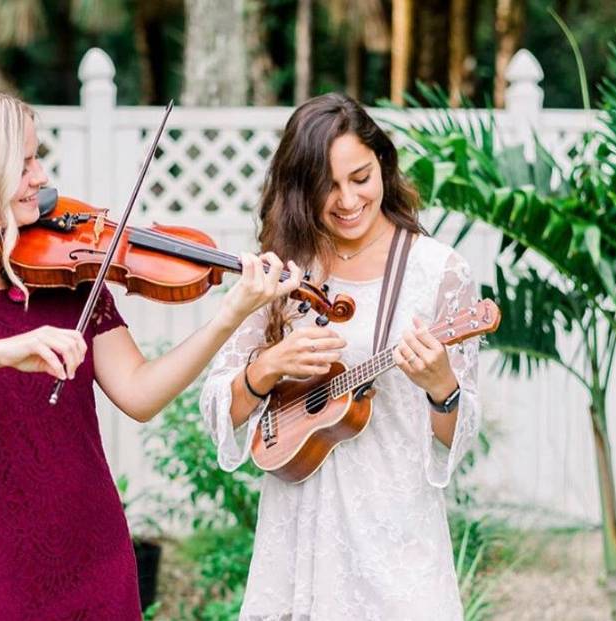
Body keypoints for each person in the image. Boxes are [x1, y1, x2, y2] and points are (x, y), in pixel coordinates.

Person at [0, 85, 304, 620]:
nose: (41, 177)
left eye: (36, 157)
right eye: (23, 164)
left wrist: (230, 315)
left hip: (95, 564)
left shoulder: (65, 276)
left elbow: (140, 393)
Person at [199, 92, 481, 620]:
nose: (348, 200)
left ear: (384, 167)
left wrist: (442, 386)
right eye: (327, 184)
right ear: (299, 187)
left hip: (397, 537)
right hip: (297, 532)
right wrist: (267, 368)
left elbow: (456, 437)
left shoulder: (439, 271)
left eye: (361, 177)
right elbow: (218, 409)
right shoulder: (281, 272)